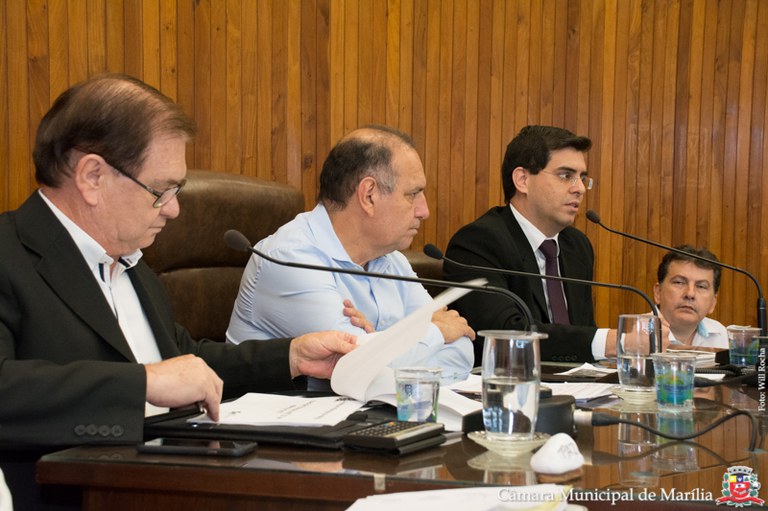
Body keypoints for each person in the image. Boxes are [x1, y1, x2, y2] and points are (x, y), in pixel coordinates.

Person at [0, 73, 356, 509]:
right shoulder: (9, 255)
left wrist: (293, 356)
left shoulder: (132, 265)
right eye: (161, 190)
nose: (173, 209)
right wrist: (144, 382)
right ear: (92, 176)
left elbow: (185, 362)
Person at [227, 125, 475, 388]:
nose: (424, 211)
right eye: (412, 194)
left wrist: (381, 343)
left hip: (369, 409)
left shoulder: (391, 260)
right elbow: (358, 366)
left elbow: (460, 352)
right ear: (368, 195)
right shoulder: (290, 258)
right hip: (282, 410)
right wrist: (433, 333)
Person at [443, 125, 621, 364]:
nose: (579, 188)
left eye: (582, 178)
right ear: (522, 180)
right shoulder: (478, 242)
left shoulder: (577, 246)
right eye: (566, 175)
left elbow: (582, 330)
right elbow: (505, 334)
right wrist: (610, 341)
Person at [653, 246, 728, 348]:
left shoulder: (720, 335)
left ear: (713, 303)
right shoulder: (635, 335)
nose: (690, 294)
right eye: (679, 282)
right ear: (658, 292)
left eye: (701, 286)